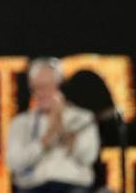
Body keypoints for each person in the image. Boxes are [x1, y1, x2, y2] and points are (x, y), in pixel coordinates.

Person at [6, 57, 100, 192]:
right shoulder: (20, 123)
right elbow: (14, 163)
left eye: (46, 87)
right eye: (36, 88)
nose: (41, 93)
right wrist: (45, 140)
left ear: (59, 86)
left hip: (72, 188)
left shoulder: (82, 118)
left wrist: (59, 122)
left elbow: (88, 157)